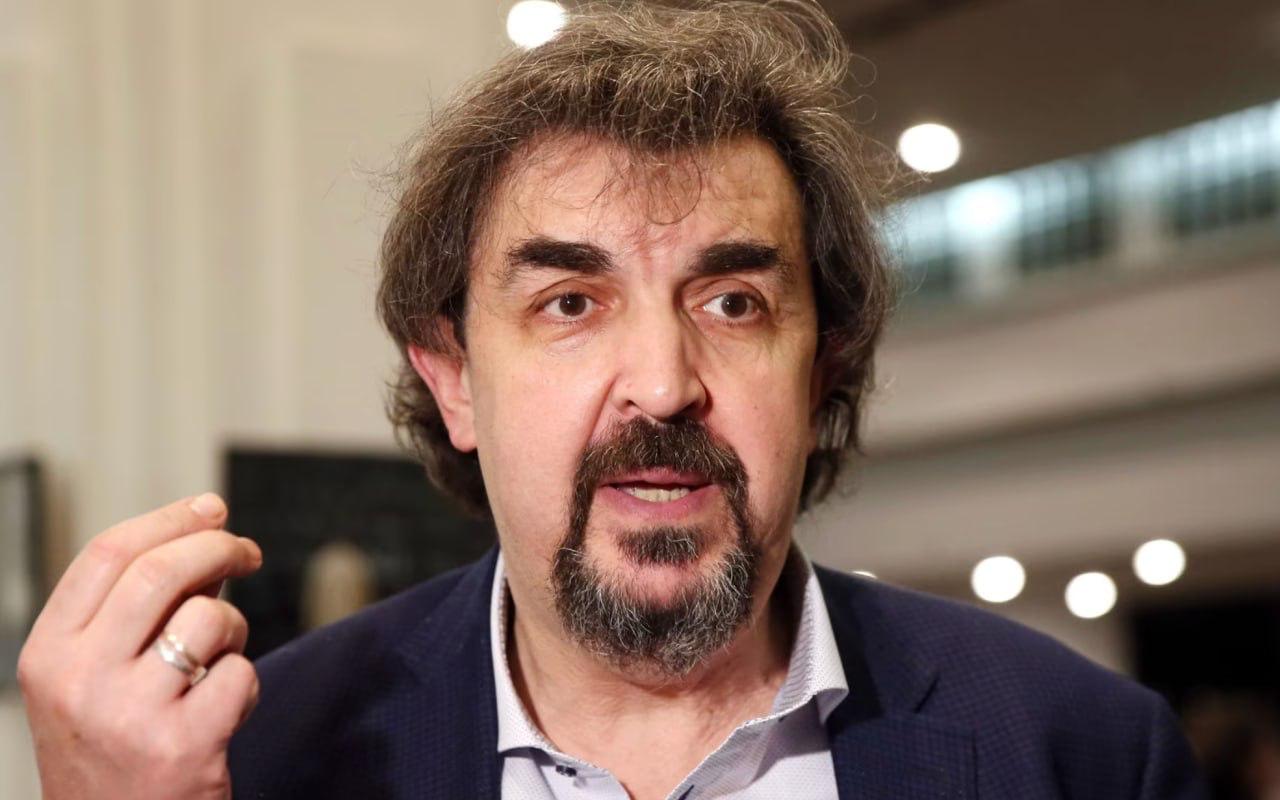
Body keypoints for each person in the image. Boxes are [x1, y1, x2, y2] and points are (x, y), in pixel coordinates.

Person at [18, 2, 1208, 798]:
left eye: (732, 301)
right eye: (570, 303)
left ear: (821, 369)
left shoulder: (1083, 750)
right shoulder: (261, 757)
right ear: (452, 379)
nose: (662, 383)